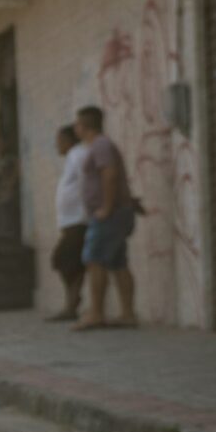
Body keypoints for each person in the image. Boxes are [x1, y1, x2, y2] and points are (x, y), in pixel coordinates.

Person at [74, 106, 136, 331]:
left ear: (84, 125)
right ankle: (128, 314)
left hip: (109, 214)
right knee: (118, 262)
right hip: (117, 212)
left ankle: (96, 313)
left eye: (77, 124)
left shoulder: (100, 145)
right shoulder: (101, 145)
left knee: (94, 260)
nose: (75, 128)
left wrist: (106, 208)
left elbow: (109, 175)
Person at [48, 125, 89, 321]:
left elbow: (88, 181)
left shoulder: (78, 154)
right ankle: (72, 302)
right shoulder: (73, 157)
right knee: (68, 262)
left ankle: (72, 303)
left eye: (59, 140)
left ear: (68, 140)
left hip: (79, 220)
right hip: (71, 221)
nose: (57, 145)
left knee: (64, 260)